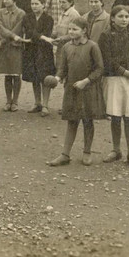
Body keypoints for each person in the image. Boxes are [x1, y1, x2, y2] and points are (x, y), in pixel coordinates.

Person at [47, 16, 105, 167]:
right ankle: (65, 154)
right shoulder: (66, 47)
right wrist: (57, 78)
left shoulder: (93, 46)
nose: (71, 32)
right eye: (70, 29)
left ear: (84, 31)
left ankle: (87, 152)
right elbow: (62, 68)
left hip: (88, 89)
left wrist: (86, 81)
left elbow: (100, 69)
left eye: (75, 29)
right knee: (71, 121)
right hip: (71, 89)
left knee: (87, 120)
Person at [99, 5, 129, 168]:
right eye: (120, 16)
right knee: (115, 116)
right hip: (114, 79)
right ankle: (116, 150)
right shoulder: (105, 37)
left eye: (126, 17)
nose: (124, 20)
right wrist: (125, 72)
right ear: (112, 19)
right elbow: (107, 60)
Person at [20, 0, 56, 115]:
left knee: (45, 77)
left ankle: (45, 105)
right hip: (31, 51)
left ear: (43, 5)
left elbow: (47, 32)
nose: (34, 6)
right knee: (34, 77)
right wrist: (42, 37)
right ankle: (37, 103)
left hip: (44, 52)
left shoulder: (48, 19)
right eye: (32, 4)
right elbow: (29, 32)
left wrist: (41, 37)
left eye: (36, 4)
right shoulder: (27, 18)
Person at [0, 0, 26, 111]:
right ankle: (8, 100)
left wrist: (5, 39)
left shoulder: (21, 13)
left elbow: (18, 29)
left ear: (14, 0)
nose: (4, 1)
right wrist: (9, 38)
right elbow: (0, 28)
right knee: (7, 74)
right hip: (5, 47)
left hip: (16, 47)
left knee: (16, 74)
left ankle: (15, 101)